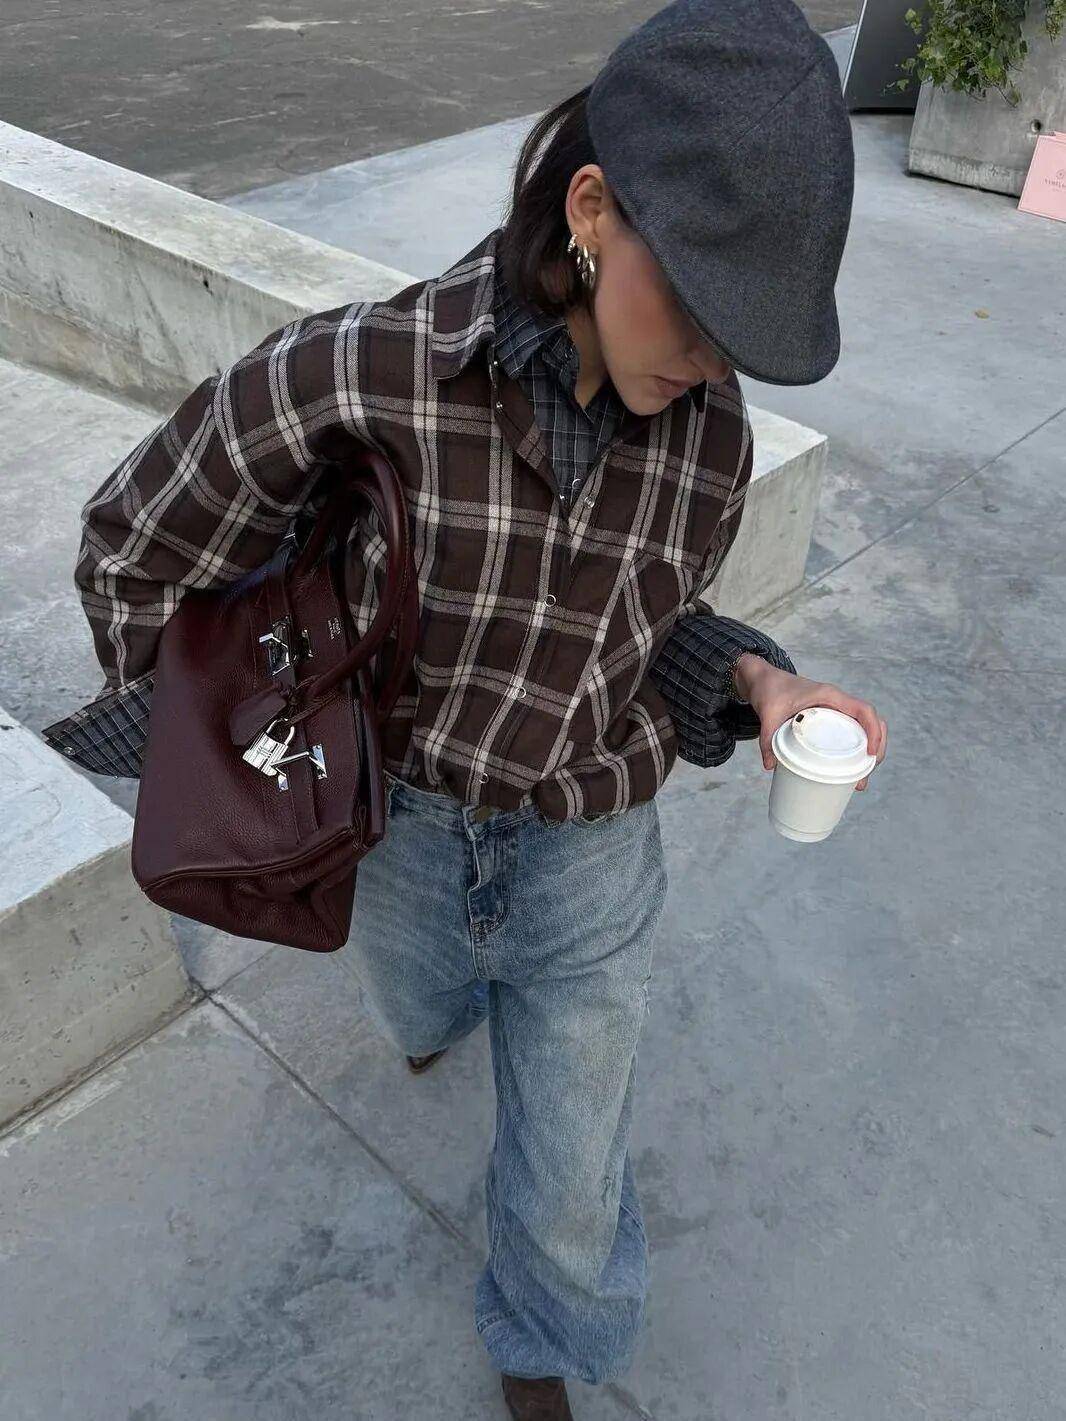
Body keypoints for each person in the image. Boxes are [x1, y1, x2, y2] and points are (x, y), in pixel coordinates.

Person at [61, 1, 887, 1414]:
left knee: (570, 1166)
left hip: (586, 853)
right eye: (698, 308)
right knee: (419, 999)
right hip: (397, 830)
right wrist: (218, 737)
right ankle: (438, 1008)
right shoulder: (361, 373)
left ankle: (543, 1339)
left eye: (743, 339)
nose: (712, 361)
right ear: (591, 211)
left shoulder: (711, 440)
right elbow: (139, 541)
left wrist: (757, 678)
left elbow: (646, 625)